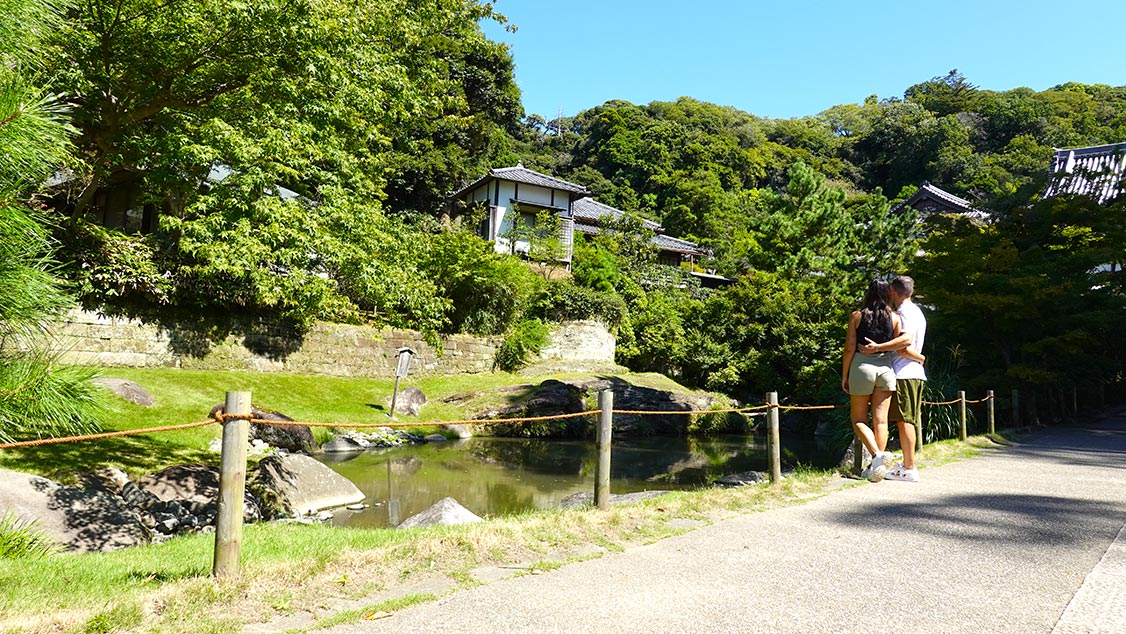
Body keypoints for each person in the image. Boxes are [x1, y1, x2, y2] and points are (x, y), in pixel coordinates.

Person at [858, 275, 926, 482]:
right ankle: (906, 465)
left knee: (904, 420)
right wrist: (921, 357)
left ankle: (909, 467)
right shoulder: (918, 311)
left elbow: (905, 342)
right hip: (913, 372)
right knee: (907, 419)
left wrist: (877, 348)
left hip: (904, 372)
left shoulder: (904, 312)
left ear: (894, 292)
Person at [842, 278, 902, 482]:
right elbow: (896, 345)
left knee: (858, 419)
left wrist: (845, 374)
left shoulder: (857, 316)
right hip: (886, 369)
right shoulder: (895, 318)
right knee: (881, 421)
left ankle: (876, 457)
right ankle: (877, 467)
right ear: (888, 294)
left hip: (862, 367)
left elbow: (850, 347)